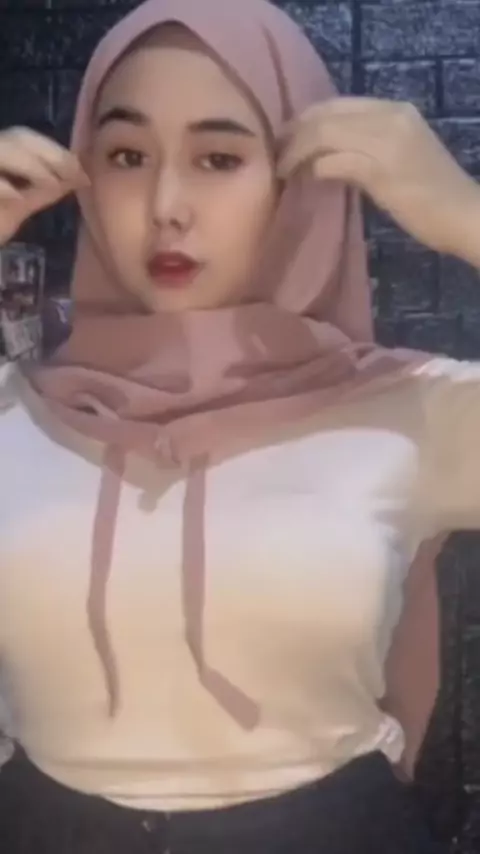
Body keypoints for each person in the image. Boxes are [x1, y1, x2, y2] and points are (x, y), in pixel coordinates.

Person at [0, 0, 479, 850]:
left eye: (218, 158)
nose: (167, 204)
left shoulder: (411, 411)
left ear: (298, 183)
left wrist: (468, 218)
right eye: (127, 156)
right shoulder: (16, 412)